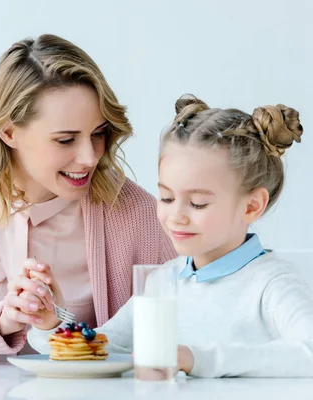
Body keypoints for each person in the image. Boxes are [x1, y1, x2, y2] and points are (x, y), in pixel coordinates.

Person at [0, 34, 176, 359]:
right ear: (10, 132)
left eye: (98, 134)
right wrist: (3, 317)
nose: (89, 157)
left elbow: (184, 326)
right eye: (65, 139)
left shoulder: (135, 212)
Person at [28, 94, 313, 378]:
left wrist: (197, 359)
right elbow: (105, 347)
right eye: (166, 198)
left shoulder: (271, 284)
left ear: (252, 206)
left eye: (198, 203)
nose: (176, 215)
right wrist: (51, 323)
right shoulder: (162, 281)